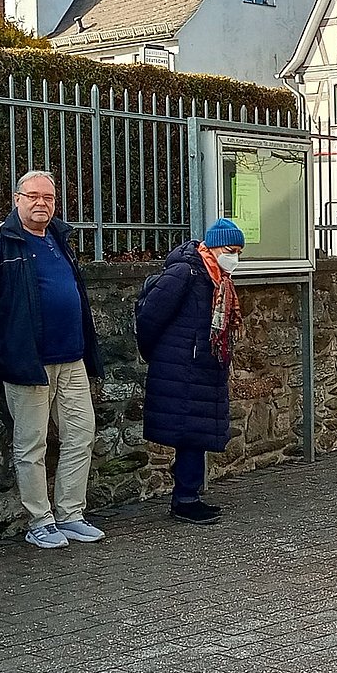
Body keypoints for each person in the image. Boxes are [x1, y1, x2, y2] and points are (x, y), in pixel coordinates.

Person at [0, 170, 105, 549]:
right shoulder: (0, 241)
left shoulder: (60, 237)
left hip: (71, 359)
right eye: (33, 196)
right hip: (29, 363)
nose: (42, 203)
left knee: (80, 434)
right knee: (32, 444)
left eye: (49, 197)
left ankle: (71, 513)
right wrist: (4, 347)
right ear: (16, 198)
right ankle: (40, 520)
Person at [135, 219, 245, 525]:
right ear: (211, 246)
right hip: (184, 365)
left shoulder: (218, 279)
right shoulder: (186, 272)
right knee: (189, 432)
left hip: (202, 366)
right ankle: (185, 499)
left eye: (238, 251)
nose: (234, 257)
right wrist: (160, 355)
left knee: (195, 432)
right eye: (229, 249)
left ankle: (189, 495)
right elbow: (150, 317)